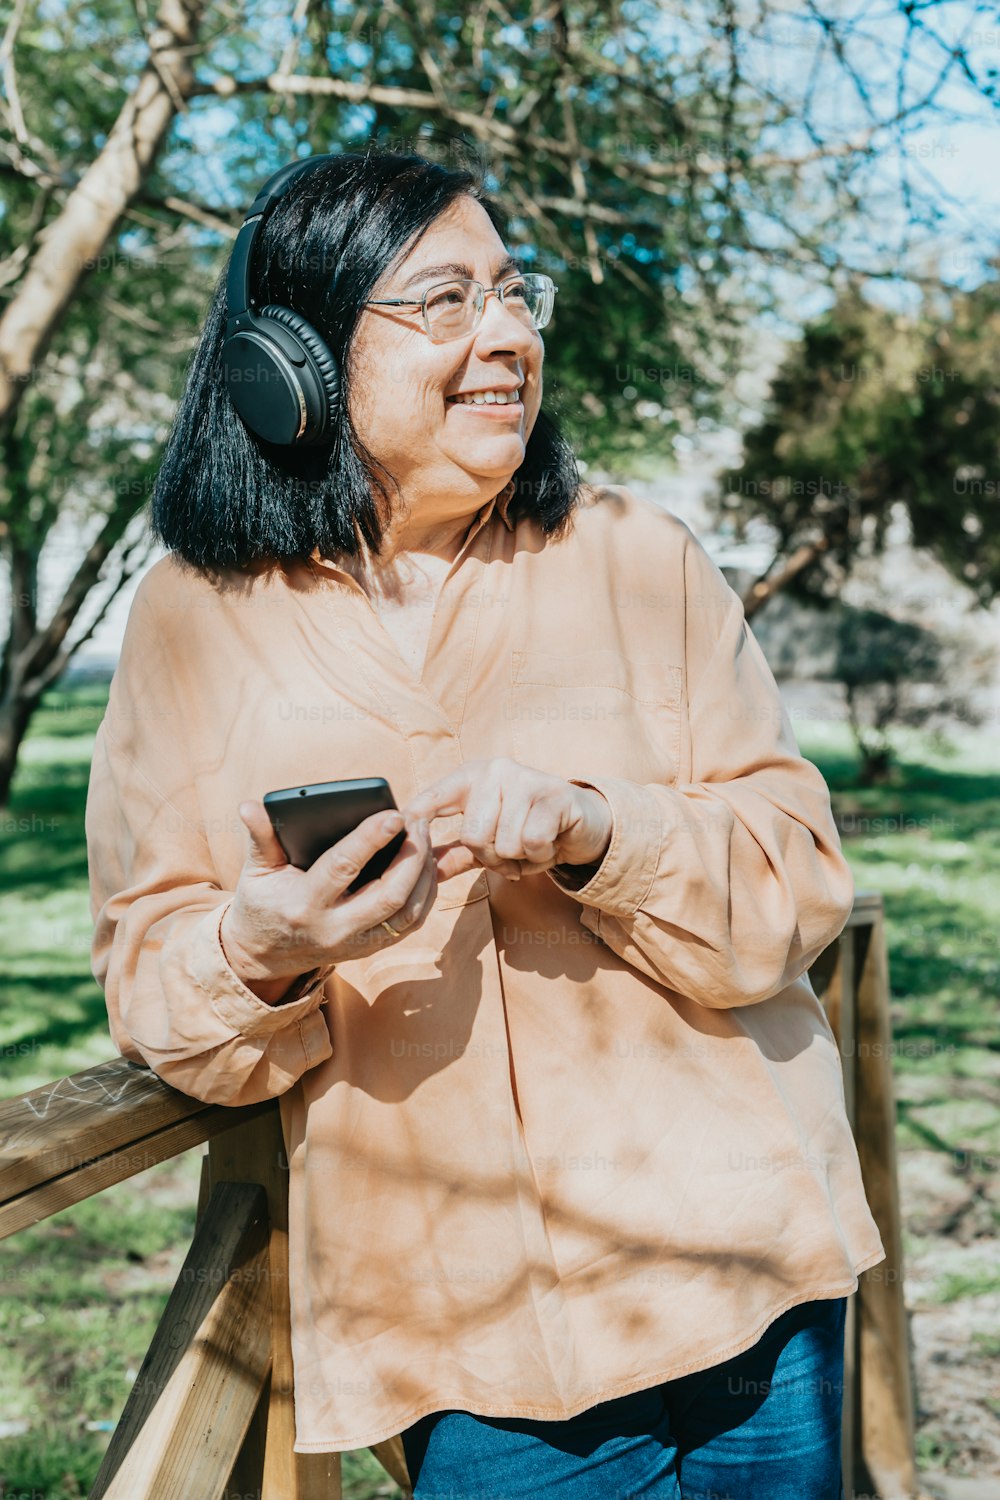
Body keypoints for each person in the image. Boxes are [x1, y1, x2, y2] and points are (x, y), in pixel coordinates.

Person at [85, 147, 886, 1498]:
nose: (507, 335)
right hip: (468, 1365)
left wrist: (598, 833)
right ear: (293, 359)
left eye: (517, 295)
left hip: (749, 1293)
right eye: (445, 304)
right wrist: (260, 947)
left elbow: (796, 885)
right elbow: (152, 980)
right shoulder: (189, 621)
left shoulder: (642, 561)